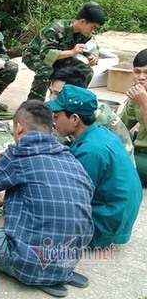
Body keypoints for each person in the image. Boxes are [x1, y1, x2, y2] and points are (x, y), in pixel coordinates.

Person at [0, 100, 94, 297]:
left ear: (19, 128)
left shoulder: (20, 152)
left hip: (29, 262)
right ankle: (56, 272)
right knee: (13, 211)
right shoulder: (68, 156)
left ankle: (35, 271)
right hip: (69, 258)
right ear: (50, 129)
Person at [48, 85, 142, 248]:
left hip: (103, 226)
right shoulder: (100, 133)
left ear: (75, 119)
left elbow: (68, 199)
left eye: (56, 116)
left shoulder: (91, 152)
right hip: (117, 216)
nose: (54, 122)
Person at [48, 66, 135, 161]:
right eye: (50, 92)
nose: (51, 98)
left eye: (57, 94)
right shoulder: (72, 109)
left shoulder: (93, 115)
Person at [23, 2, 105, 101]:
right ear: (83, 22)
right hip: (35, 55)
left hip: (61, 58)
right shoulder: (57, 28)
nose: (92, 30)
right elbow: (45, 54)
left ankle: (71, 101)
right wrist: (72, 52)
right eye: (92, 27)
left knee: (86, 71)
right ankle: (34, 105)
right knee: (45, 70)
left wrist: (93, 56)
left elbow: (93, 45)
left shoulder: (83, 33)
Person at [120, 48, 147, 185]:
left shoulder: (141, 97)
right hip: (139, 150)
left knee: (120, 168)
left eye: (146, 72)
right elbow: (120, 125)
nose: (141, 77)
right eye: (137, 72)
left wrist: (144, 103)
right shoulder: (137, 93)